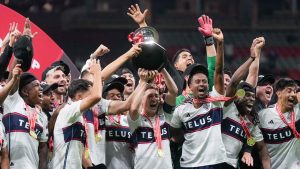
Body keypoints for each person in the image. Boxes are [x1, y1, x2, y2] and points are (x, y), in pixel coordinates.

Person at [128, 68, 178, 169]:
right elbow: (133, 109)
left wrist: (162, 67)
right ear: (141, 100)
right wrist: (143, 82)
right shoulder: (137, 120)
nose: (154, 99)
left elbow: (174, 92)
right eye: (150, 96)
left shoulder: (165, 117)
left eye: (156, 96)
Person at [258, 78, 300, 169]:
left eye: (294, 91)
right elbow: (254, 141)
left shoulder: (298, 110)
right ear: (279, 93)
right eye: (289, 91)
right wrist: (247, 151)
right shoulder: (263, 116)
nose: (293, 94)